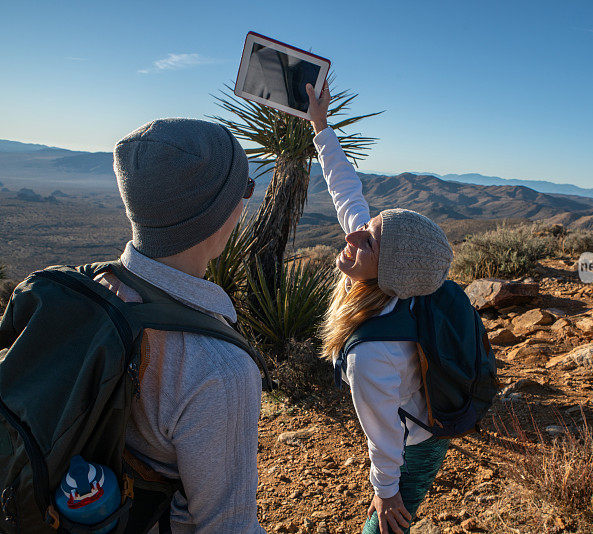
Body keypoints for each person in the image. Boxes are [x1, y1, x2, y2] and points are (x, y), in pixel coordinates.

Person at [99, 118, 266, 533]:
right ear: (216, 214)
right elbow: (227, 527)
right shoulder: (219, 369)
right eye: (243, 190)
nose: (245, 205)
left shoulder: (92, 291)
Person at [307, 83, 454, 534]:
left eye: (366, 239)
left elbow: (384, 434)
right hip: (411, 424)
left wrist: (385, 489)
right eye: (365, 228)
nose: (351, 236)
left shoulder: (372, 353)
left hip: (417, 443)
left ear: (387, 270)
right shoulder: (373, 273)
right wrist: (320, 126)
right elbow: (347, 193)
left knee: (386, 526)